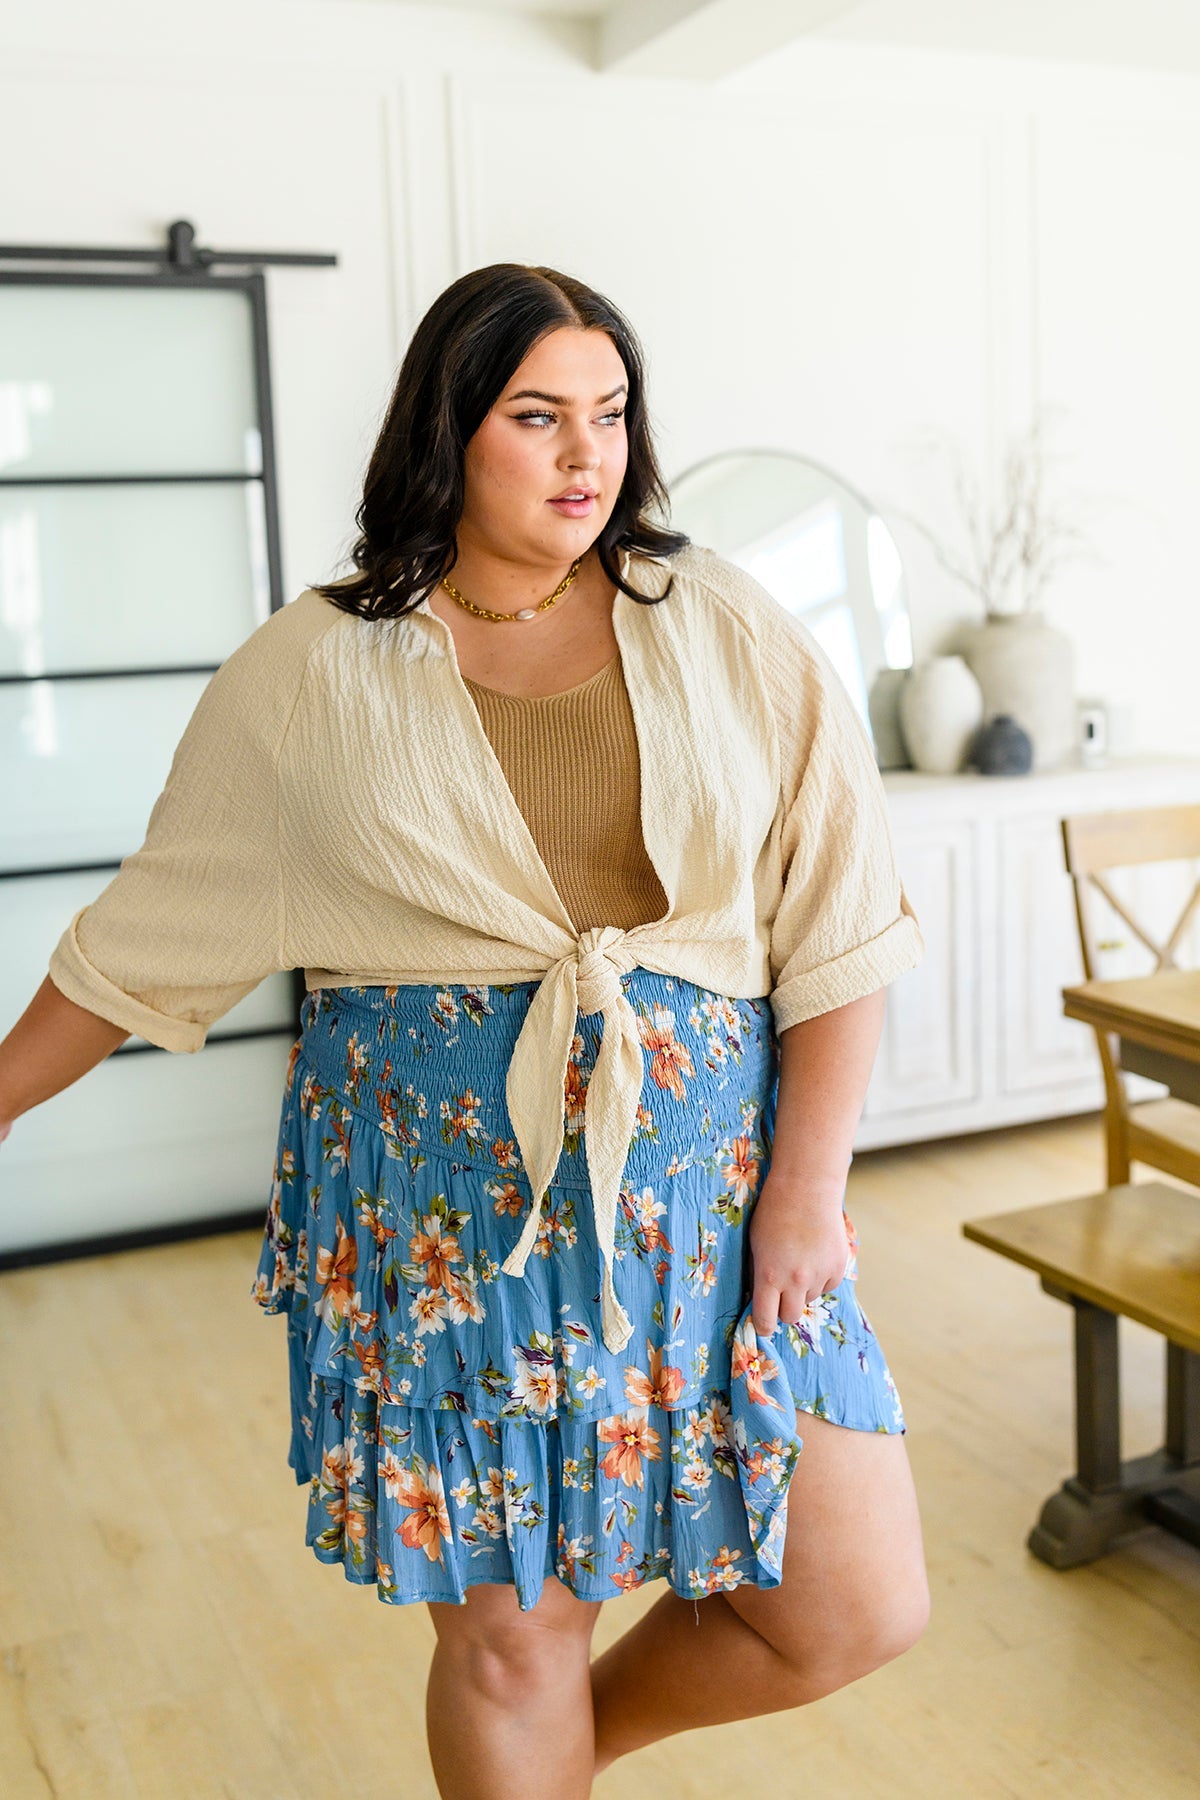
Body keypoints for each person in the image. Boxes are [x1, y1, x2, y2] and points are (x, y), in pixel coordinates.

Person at [0, 263, 930, 1798]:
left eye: (610, 414)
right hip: (444, 1218)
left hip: (714, 1200)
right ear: (450, 428)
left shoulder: (720, 621)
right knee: (512, 1647)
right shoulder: (314, 668)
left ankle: (557, 1760)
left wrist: (808, 1191)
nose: (587, 455)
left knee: (854, 1602)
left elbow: (840, 921)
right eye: (538, 416)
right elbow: (143, 939)